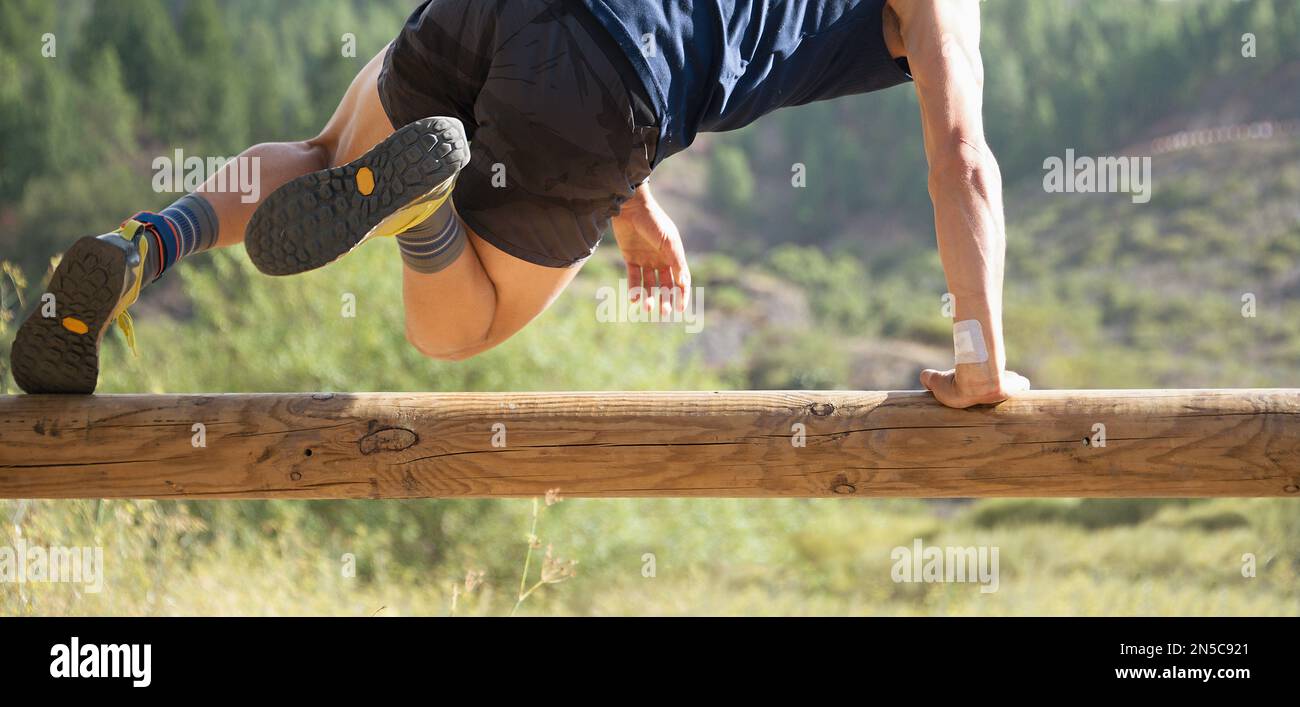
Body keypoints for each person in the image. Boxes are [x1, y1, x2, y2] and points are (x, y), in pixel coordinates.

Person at [11, 0, 1030, 407]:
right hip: (615, 82)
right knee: (464, 325)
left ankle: (146, 240)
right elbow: (961, 157)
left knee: (324, 147)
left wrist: (633, 204)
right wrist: (979, 357)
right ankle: (421, 217)